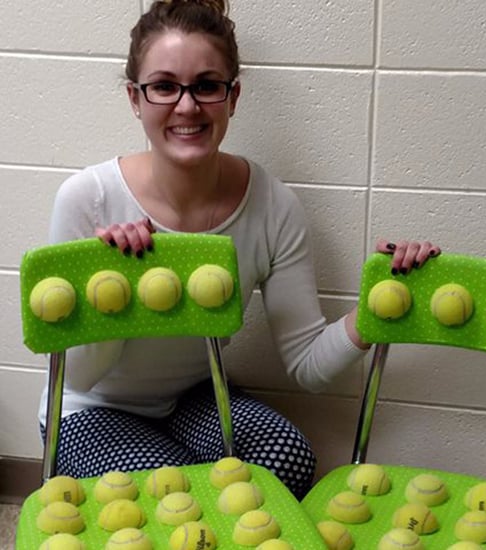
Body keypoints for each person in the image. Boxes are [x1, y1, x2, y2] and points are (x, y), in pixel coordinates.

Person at [38, 0, 440, 500]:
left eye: (207, 85)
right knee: (181, 498)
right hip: (93, 410)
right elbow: (78, 373)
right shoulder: (88, 199)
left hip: (194, 397)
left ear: (233, 96)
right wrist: (114, 290)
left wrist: (379, 307)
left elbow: (308, 365)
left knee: (286, 460)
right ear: (135, 98)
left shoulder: (272, 204)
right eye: (164, 86)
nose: (187, 106)